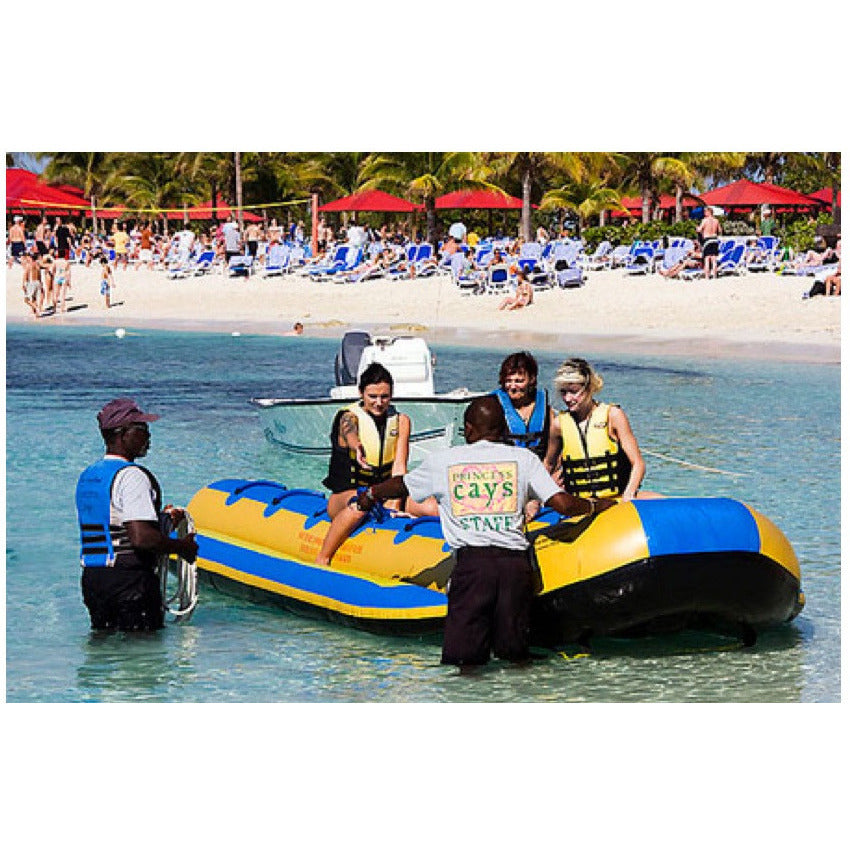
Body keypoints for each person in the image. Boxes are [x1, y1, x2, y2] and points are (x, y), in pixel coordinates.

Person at [356, 396, 615, 667]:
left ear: (468, 429)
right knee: (515, 659)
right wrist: (598, 506)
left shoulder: (444, 460)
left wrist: (370, 495)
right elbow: (562, 503)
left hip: (473, 568)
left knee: (465, 664)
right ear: (503, 429)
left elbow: (401, 485)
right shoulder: (523, 459)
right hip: (516, 568)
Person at [75, 398, 198, 631]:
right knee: (144, 662)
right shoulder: (132, 476)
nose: (148, 436)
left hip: (94, 579)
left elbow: (112, 524)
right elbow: (141, 538)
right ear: (122, 434)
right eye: (142, 430)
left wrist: (165, 520)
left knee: (102, 650)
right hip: (130, 581)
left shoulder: (90, 475)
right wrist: (183, 547)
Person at [316, 363, 431, 565]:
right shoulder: (348, 418)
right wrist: (357, 445)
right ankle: (323, 558)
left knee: (431, 506)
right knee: (362, 502)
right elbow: (348, 432)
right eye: (372, 396)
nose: (379, 402)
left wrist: (394, 506)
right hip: (346, 497)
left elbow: (399, 468)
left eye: (384, 396)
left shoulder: (402, 421)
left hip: (385, 493)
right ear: (361, 393)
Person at [545, 357, 653, 501]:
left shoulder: (613, 415)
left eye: (574, 391)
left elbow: (638, 463)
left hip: (616, 498)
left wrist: (629, 494)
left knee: (664, 501)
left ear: (589, 388)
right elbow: (549, 464)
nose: (568, 398)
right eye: (564, 392)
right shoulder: (559, 424)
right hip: (580, 503)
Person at [696, 206, 722, 278]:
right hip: (715, 239)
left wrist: (697, 228)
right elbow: (720, 230)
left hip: (707, 240)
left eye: (705, 212)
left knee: (707, 259)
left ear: (708, 212)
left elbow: (699, 229)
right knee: (714, 259)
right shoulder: (716, 220)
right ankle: (714, 276)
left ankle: (707, 276)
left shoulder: (705, 220)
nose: (704, 213)